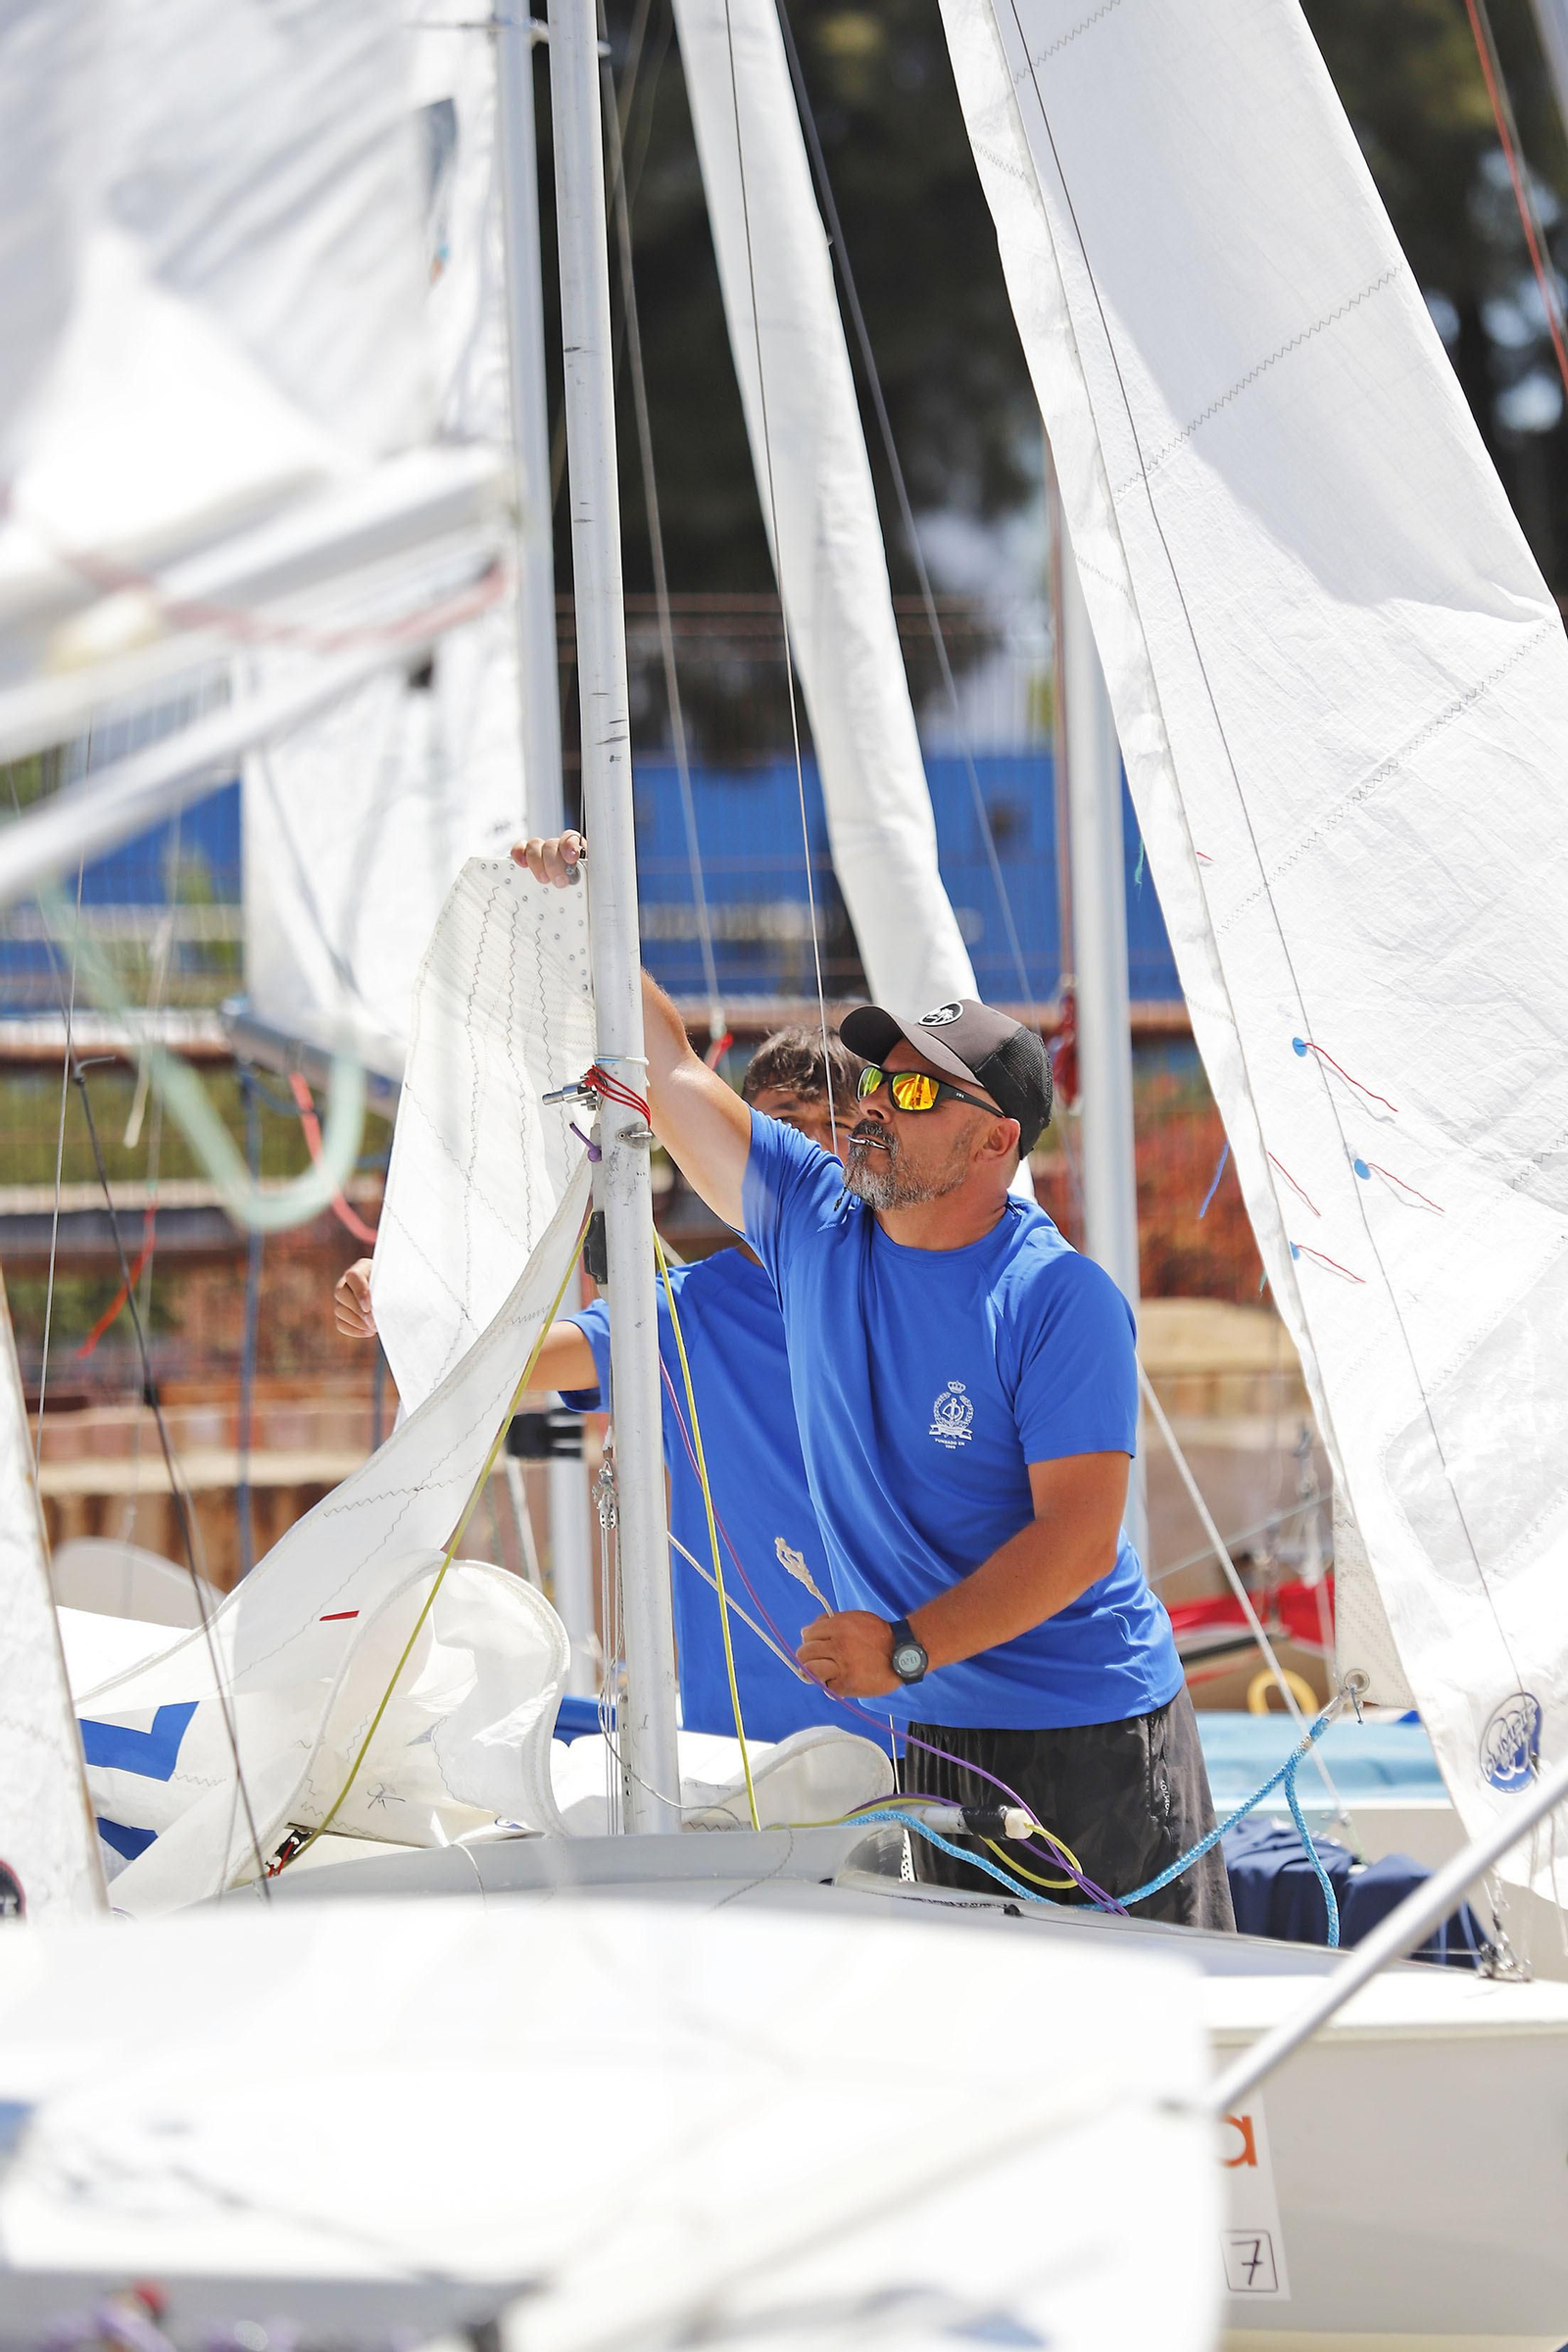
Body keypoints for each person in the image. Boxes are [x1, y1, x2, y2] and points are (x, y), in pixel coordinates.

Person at [512, 828, 1233, 1930]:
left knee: (1144, 2049)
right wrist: (581, 914)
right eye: (879, 1078)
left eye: (912, 1089)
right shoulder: (809, 1221)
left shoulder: (1056, 1299)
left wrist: (905, 1645)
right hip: (936, 1736)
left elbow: (1077, 1541)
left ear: (993, 1142)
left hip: (1090, 1737)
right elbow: (668, 1074)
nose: (875, 1104)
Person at [333, 1028, 860, 1741]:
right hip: (746, 1759)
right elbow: (519, 1357)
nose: (810, 1155)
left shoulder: (924, 1293)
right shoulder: (696, 1312)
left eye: (841, 1129)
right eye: (783, 1131)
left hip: (919, 1747)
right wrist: (401, 1302)